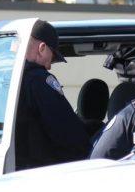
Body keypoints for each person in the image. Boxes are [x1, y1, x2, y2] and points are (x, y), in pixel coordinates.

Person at [15, 20, 91, 170]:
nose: (49, 66)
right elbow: (68, 133)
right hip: (43, 172)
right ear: (42, 48)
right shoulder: (39, 80)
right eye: (51, 58)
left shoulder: (5, 79)